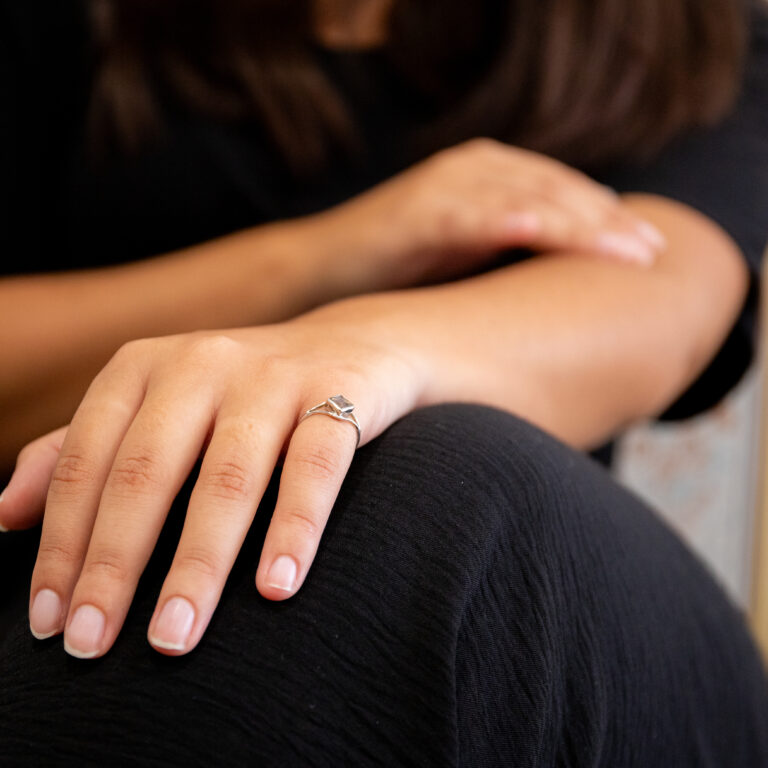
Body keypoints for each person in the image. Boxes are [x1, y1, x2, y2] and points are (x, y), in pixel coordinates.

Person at [0, 0, 767, 764]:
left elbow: (663, 295)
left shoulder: (681, 37)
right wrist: (336, 251)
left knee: (416, 476)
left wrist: (365, 357)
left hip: (531, 623)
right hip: (66, 570)